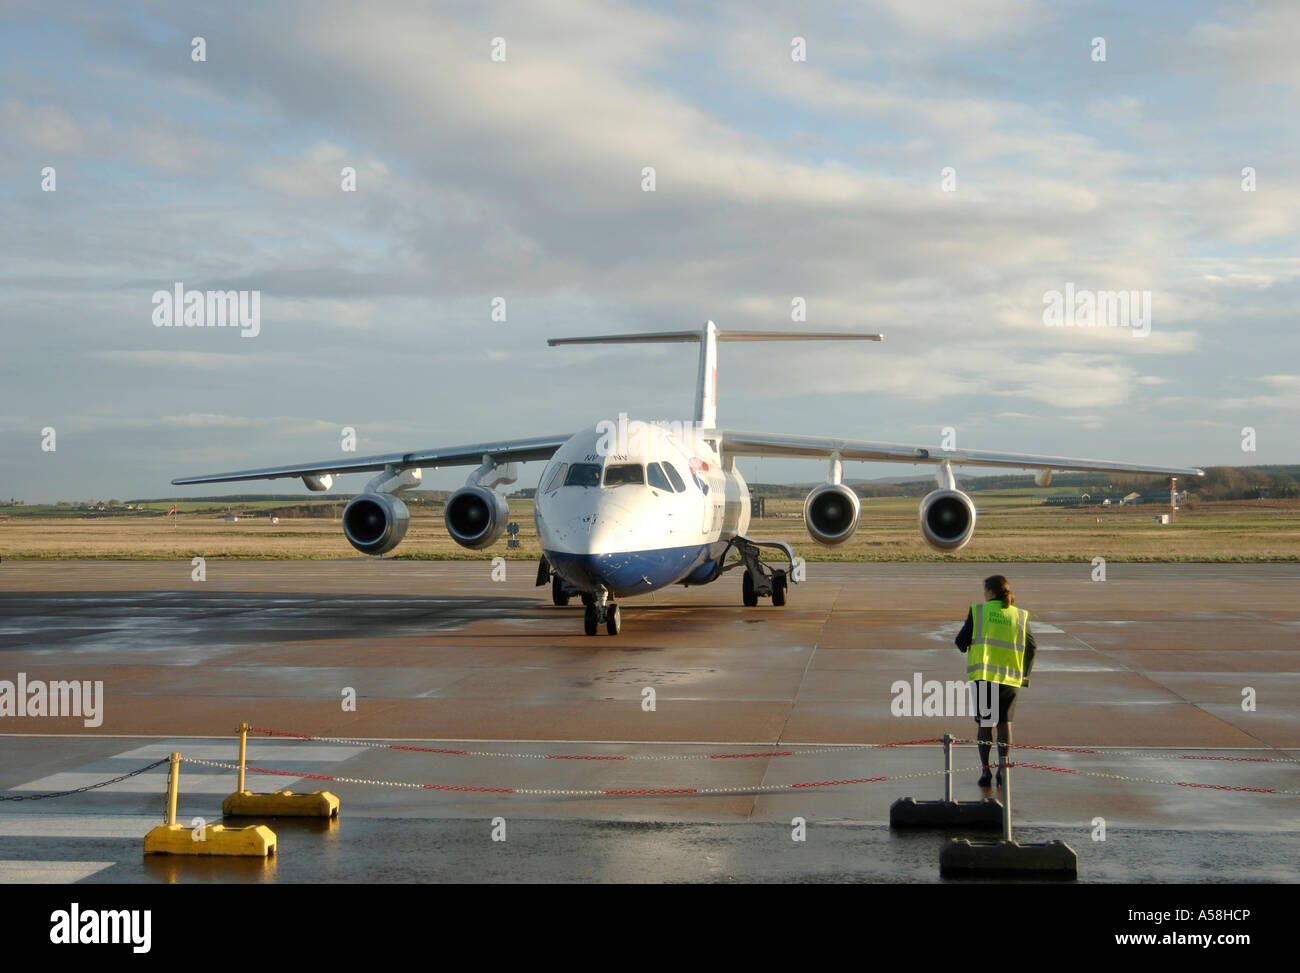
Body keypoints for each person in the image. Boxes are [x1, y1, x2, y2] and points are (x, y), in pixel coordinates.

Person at [954, 574, 1036, 787]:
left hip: (984, 677)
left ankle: (985, 771)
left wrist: (967, 647)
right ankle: (1003, 769)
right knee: (1004, 724)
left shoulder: (979, 612)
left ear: (990, 592)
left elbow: (960, 642)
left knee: (985, 723)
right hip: (1010, 678)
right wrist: (1024, 674)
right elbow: (1032, 646)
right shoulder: (1018, 615)